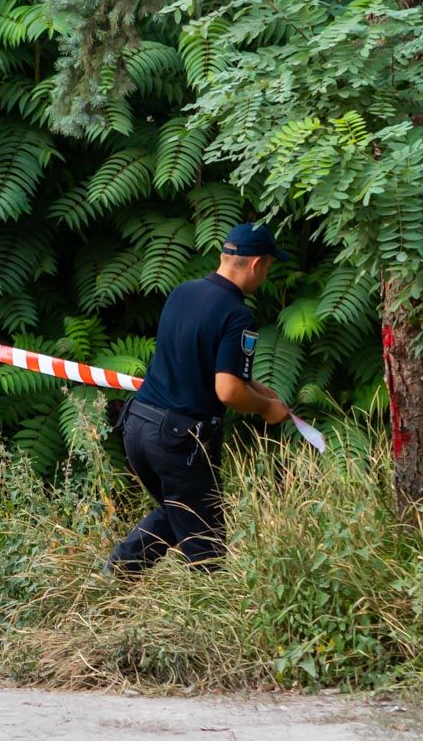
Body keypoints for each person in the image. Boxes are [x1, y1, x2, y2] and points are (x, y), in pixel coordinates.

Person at [106, 222, 293, 574]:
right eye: (268, 266)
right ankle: (212, 616)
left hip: (138, 426)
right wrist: (266, 407)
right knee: (206, 546)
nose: (266, 275)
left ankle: (115, 574)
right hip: (178, 440)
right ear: (257, 264)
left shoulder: (183, 292)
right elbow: (227, 390)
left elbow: (201, 365)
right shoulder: (238, 315)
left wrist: (261, 390)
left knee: (178, 510)